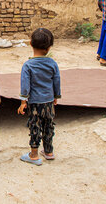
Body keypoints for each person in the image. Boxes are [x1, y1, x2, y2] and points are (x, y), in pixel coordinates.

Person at [18, 28, 61, 166]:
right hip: (48, 101)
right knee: (49, 125)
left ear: (30, 43)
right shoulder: (52, 63)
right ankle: (48, 152)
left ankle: (34, 155)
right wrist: (56, 96)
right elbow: (56, 81)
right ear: (49, 47)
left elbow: (25, 86)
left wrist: (23, 102)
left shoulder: (28, 65)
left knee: (35, 126)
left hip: (35, 103)